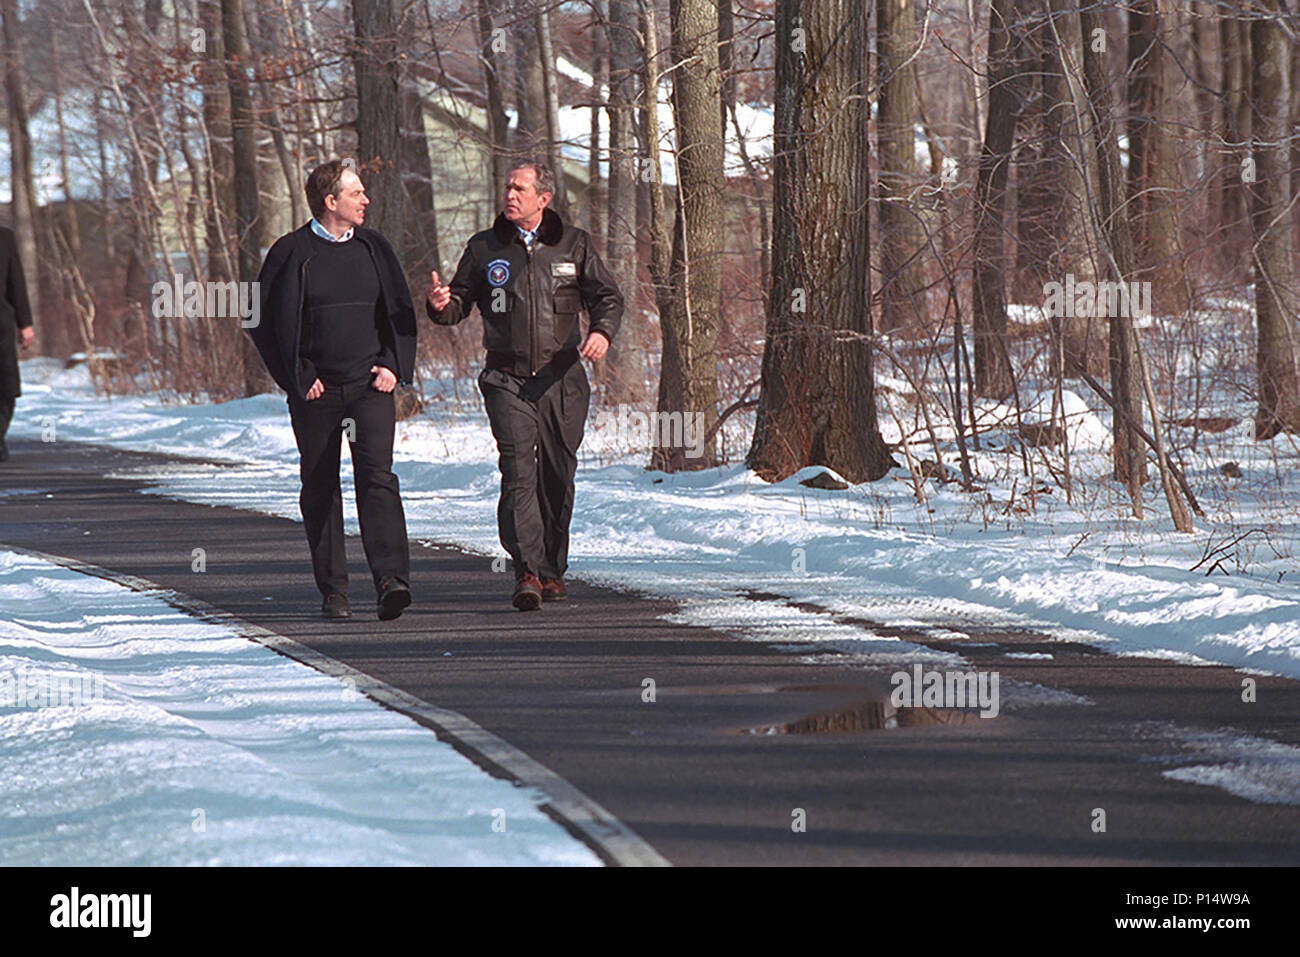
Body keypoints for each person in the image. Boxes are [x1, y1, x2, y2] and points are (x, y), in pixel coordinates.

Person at [427, 160, 623, 610]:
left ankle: (553, 569)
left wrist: (601, 332)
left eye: (520, 188)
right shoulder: (485, 248)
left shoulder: (574, 245)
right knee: (519, 471)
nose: (510, 195)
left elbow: (607, 296)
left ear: (543, 199)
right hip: (506, 378)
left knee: (557, 473)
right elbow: (458, 303)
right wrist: (440, 304)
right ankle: (527, 570)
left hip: (562, 378)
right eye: (507, 187)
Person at [249, 159, 416, 621]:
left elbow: (399, 312)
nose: (365, 200)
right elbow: (257, 319)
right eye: (356, 193)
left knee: (377, 479)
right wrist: (296, 376)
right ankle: (334, 591)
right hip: (317, 394)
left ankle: (391, 582)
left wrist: (393, 365)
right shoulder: (290, 252)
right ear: (331, 201)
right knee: (320, 485)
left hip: (370, 388)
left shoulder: (374, 248)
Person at [0, 226, 35, 462]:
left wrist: (25, 323)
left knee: (5, 384)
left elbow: (16, 282)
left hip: (0, 323)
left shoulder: (4, 237)